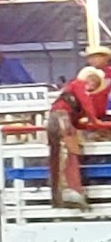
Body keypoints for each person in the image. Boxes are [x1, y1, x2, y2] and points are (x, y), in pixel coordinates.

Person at [48, 66, 108, 209]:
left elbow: (77, 118)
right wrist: (95, 121)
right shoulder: (78, 85)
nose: (93, 83)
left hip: (59, 118)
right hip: (61, 118)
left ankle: (63, 192)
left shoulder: (74, 91)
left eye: (96, 82)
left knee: (61, 153)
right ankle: (70, 190)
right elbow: (86, 104)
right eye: (92, 79)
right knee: (68, 151)